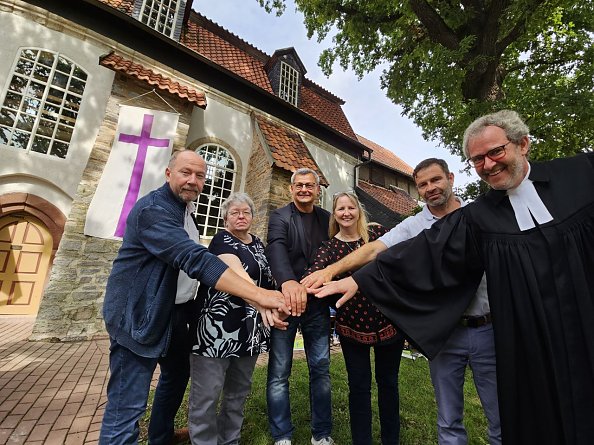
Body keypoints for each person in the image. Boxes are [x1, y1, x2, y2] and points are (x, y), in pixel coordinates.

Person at [314, 110, 594, 444]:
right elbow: (410, 251)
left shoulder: (581, 175)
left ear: (523, 145)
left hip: (510, 326)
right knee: (453, 416)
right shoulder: (475, 218)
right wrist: (351, 277)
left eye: (496, 152)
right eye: (478, 159)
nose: (488, 164)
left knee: (506, 413)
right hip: (458, 333)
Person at [303, 160, 501, 445]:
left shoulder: (478, 215)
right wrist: (329, 272)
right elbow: (373, 253)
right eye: (422, 184)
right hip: (444, 331)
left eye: (435, 180)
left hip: (486, 325)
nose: (430, 188)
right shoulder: (414, 225)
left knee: (498, 414)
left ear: (451, 178)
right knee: (448, 418)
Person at [100, 150, 288, 445]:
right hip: (138, 316)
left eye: (200, 175)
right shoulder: (154, 210)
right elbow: (195, 259)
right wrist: (260, 297)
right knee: (128, 405)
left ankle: (161, 437)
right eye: (186, 172)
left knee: (175, 378)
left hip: (175, 315)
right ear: (168, 173)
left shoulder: (186, 212)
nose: (193, 180)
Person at [305, 192, 405, 445]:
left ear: (359, 210)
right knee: (359, 388)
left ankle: (390, 439)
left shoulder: (379, 234)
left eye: (351, 207)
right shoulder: (328, 249)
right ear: (334, 215)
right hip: (353, 328)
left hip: (389, 323)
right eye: (341, 209)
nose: (346, 212)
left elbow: (400, 260)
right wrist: (296, 288)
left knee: (388, 384)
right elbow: (316, 274)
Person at [188, 192, 275, 445]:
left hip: (249, 332)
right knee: (207, 395)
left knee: (238, 392)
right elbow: (237, 277)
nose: (240, 216)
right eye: (234, 213)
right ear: (225, 219)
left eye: (245, 212)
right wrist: (264, 304)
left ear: (252, 216)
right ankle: (204, 442)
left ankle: (230, 440)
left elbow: (268, 280)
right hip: (215, 332)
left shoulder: (259, 244)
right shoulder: (221, 240)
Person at [265, 168, 334, 445]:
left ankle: (322, 434)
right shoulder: (280, 217)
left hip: (317, 305)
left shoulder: (327, 219)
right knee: (280, 371)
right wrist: (288, 282)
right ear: (291, 190)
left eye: (310, 185)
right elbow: (276, 248)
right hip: (286, 303)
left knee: (321, 369)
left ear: (318, 190)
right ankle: (282, 435)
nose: (305, 189)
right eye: (299, 185)